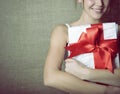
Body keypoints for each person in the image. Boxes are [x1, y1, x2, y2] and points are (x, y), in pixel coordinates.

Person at [44, 0, 120, 94]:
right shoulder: (63, 31)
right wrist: (107, 91)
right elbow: (50, 77)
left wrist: (86, 73)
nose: (100, 3)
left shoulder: (116, 31)